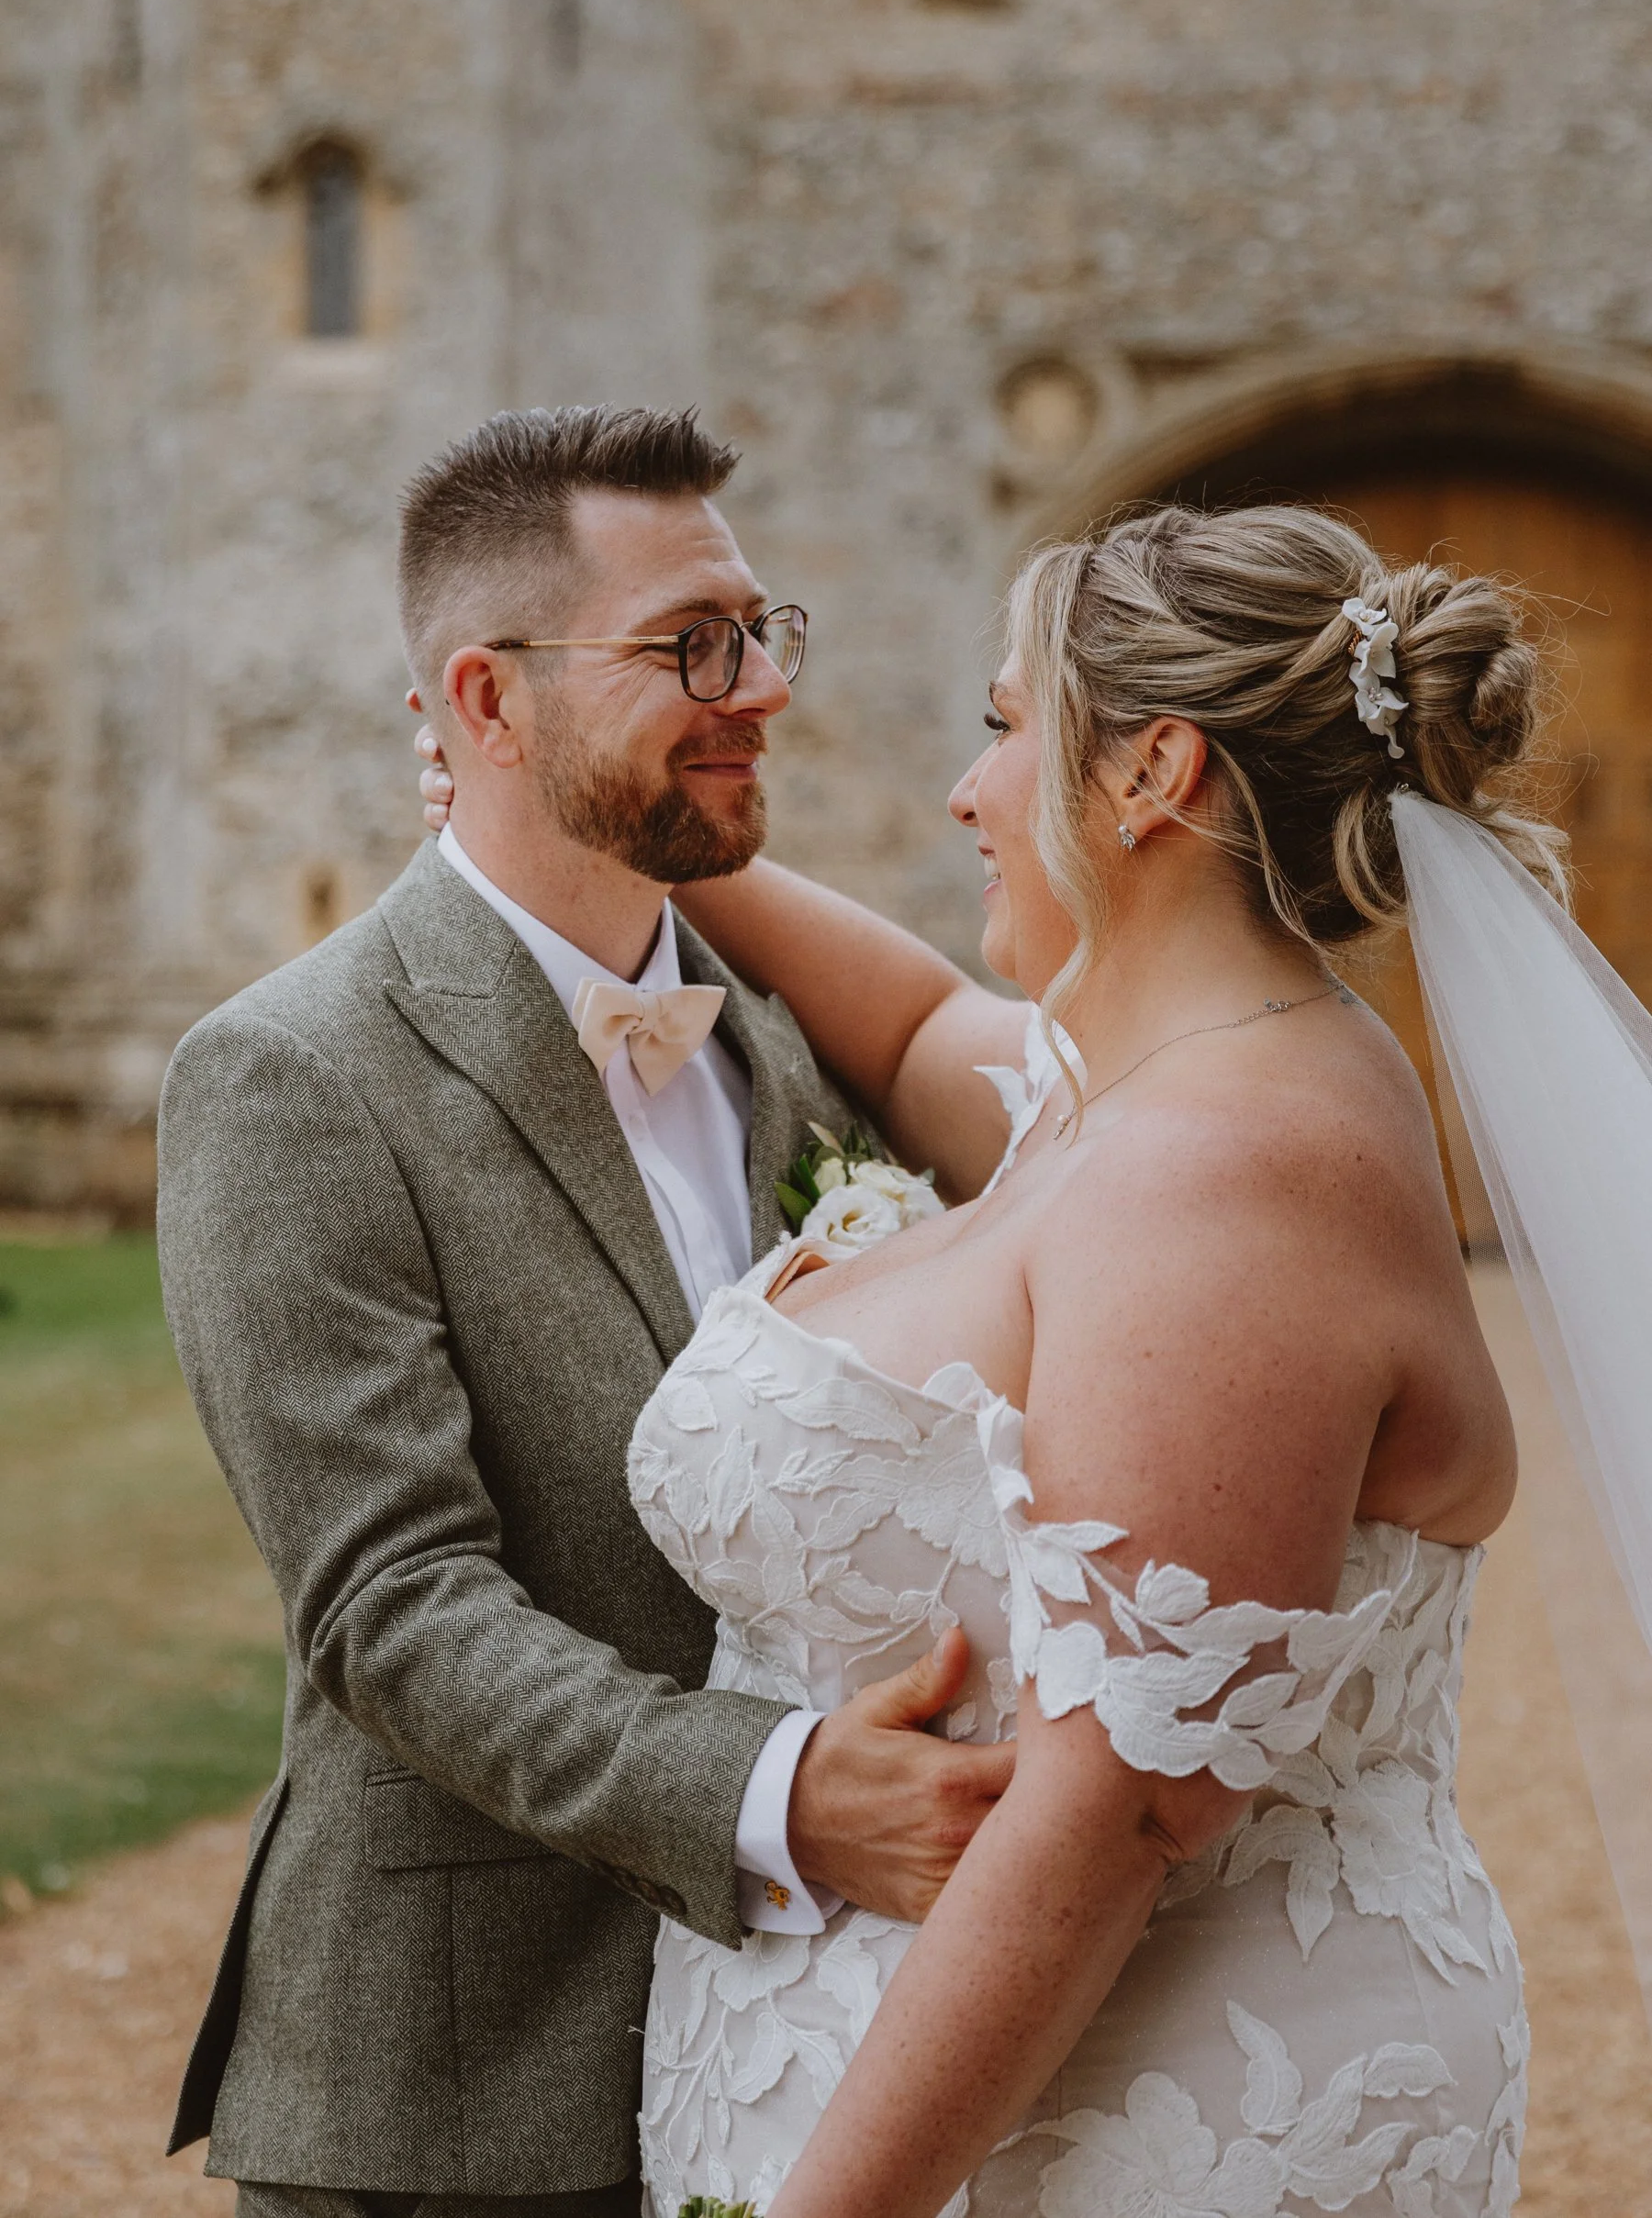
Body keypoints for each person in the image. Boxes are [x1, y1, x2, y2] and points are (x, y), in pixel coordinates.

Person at [422, 502, 1544, 2217]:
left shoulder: (1231, 1179)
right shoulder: (1147, 1087)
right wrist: (602, 822)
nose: (965, 789)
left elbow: (1117, 1817)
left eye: (1010, 728)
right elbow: (918, 1026)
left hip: (1147, 2118)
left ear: (1150, 773)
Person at [156, 406, 1013, 2218]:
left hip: (813, 2052)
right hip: (469, 2081)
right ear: (486, 700)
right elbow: (388, 1608)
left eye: (760, 633)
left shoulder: (787, 1039)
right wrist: (787, 1795)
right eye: (688, 645)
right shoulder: (287, 1075)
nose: (758, 690)